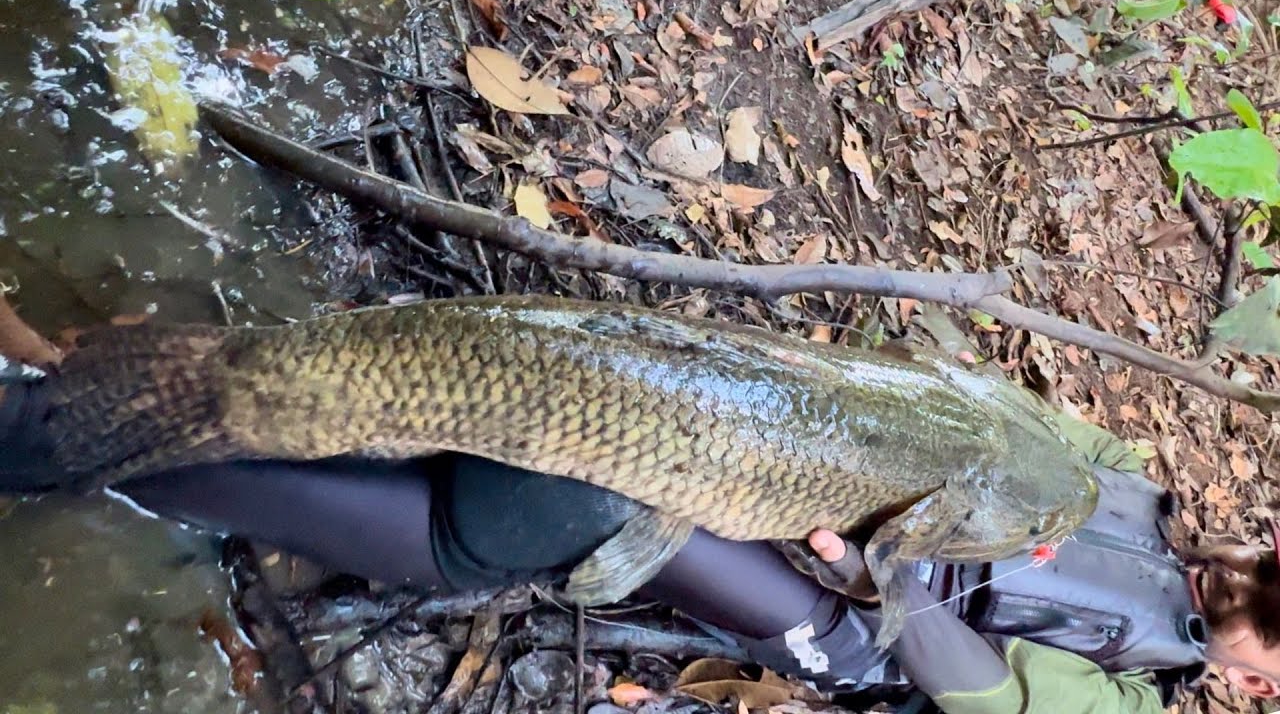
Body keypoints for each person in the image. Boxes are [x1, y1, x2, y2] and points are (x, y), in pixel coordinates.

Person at [2, 375, 1278, 714]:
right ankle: (82, 440)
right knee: (483, 531)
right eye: (1276, 675)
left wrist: (873, 565)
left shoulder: (1127, 518)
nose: (1259, 695)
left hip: (857, 587)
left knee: (611, 495)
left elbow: (968, 679)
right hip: (834, 530)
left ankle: (109, 417)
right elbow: (950, 408)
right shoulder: (1122, 491)